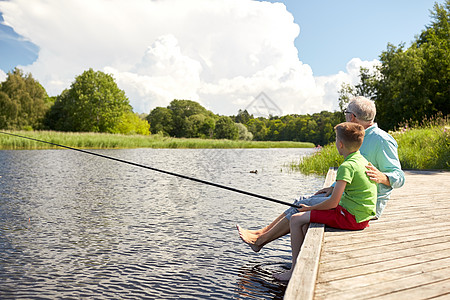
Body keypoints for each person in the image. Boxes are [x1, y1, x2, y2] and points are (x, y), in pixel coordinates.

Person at [237, 96, 405, 253]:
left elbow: (400, 177)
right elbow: (353, 173)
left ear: (352, 117)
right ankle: (261, 233)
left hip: (363, 207)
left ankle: (260, 241)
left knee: (306, 203)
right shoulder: (357, 136)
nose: (345, 116)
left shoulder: (382, 140)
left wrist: (382, 177)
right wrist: (332, 187)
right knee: (301, 200)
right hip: (348, 198)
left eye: (346, 113)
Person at [273, 122, 377, 281]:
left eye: (336, 139)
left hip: (350, 218)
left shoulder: (347, 166)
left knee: (295, 220)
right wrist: (312, 210)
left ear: (340, 144)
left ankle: (294, 270)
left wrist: (309, 208)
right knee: (305, 222)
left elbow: (333, 203)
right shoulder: (363, 161)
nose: (336, 142)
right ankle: (302, 262)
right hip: (361, 217)